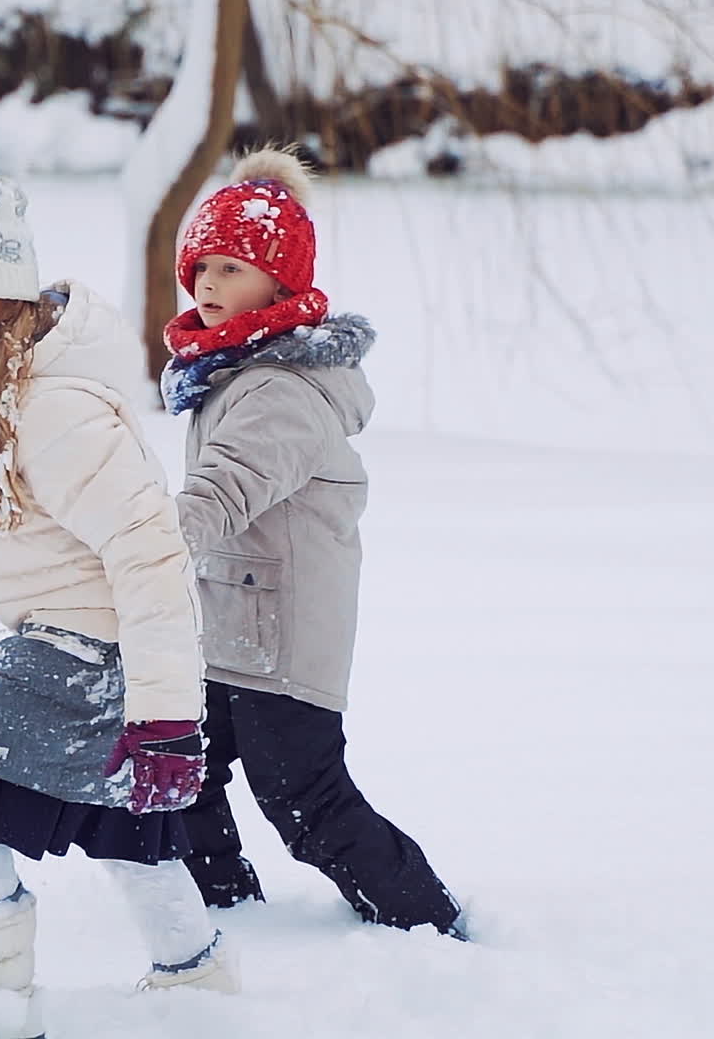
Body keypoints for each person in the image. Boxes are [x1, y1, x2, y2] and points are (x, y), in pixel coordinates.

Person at [0, 130, 236, 1039]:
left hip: (97, 648)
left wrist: (166, 716)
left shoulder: (49, 407)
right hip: (76, 641)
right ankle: (193, 986)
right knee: (128, 836)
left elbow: (151, 553)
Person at [161, 147, 466, 937]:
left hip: (284, 636)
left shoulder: (281, 391)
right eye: (201, 266)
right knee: (177, 766)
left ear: (281, 283)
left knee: (303, 799)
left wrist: (144, 548)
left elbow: (224, 490)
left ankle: (426, 925)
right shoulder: (234, 373)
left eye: (231, 268)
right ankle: (223, 907)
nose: (208, 285)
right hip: (233, 623)